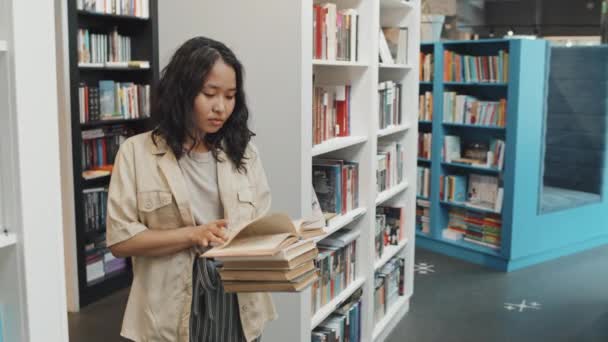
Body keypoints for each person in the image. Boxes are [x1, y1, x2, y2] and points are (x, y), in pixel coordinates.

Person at [106, 36, 277, 342]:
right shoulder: (136, 153)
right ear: (182, 92)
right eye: (209, 93)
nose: (220, 107)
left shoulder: (244, 151)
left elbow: (261, 226)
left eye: (230, 96)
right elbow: (120, 240)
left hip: (237, 301)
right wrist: (192, 235)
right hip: (166, 312)